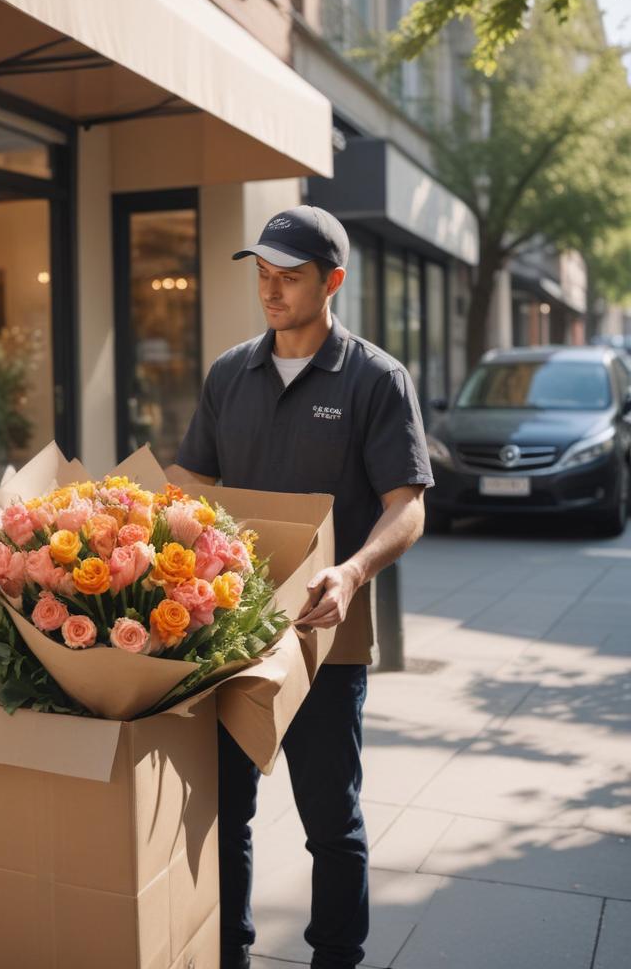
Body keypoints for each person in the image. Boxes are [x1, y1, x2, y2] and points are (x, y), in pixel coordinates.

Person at [172, 205, 433, 969]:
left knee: (331, 822)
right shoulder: (230, 372)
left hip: (326, 637)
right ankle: (230, 953)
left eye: (289, 278)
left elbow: (407, 506)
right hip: (227, 636)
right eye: (262, 274)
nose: (270, 291)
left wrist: (353, 572)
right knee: (226, 813)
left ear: (333, 283)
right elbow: (193, 477)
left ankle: (337, 960)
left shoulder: (377, 379)